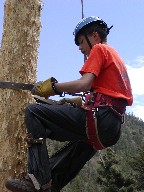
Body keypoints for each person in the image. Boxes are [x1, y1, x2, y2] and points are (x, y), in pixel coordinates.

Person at [5, 16, 133, 192]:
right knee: (76, 151)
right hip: (112, 127)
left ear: (95, 36)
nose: (81, 48)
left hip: (101, 118)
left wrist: (53, 88)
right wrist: (75, 102)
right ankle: (49, 186)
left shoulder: (100, 49)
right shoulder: (116, 57)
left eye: (81, 41)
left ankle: (36, 180)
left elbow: (84, 84)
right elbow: (107, 95)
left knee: (34, 112)